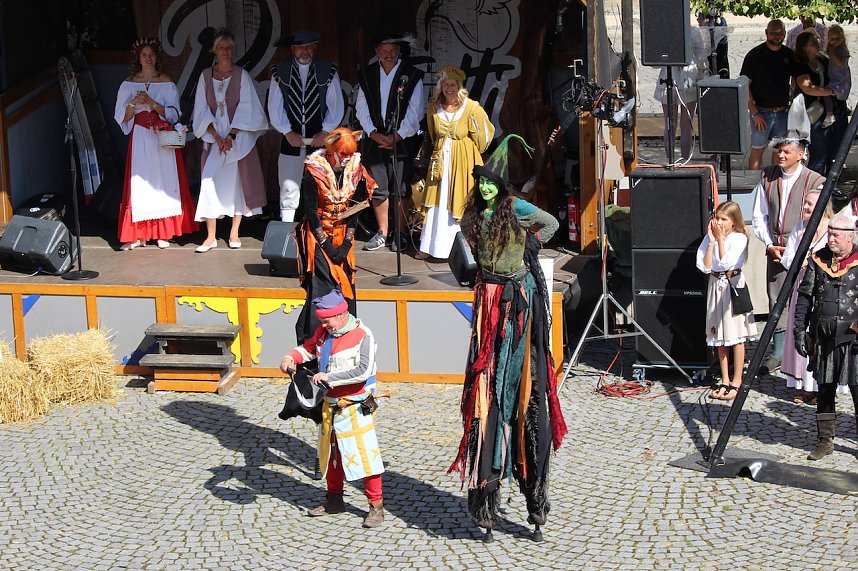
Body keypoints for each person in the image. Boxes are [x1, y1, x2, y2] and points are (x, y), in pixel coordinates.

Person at [448, 135, 566, 538]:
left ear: (502, 186)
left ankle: (535, 498)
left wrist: (528, 247)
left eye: (490, 183)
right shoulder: (474, 215)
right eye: (480, 182)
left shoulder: (515, 206)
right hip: (488, 307)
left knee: (525, 394)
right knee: (488, 396)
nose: (484, 188)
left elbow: (550, 223)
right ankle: (485, 499)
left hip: (517, 307)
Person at [279, 289, 385, 526]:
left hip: (355, 406)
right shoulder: (323, 332)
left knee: (366, 458)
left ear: (341, 315)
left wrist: (330, 378)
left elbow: (363, 371)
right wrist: (290, 357)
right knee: (331, 457)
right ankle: (334, 500)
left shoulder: (363, 335)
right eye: (322, 321)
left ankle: (376, 507)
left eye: (327, 320)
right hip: (330, 406)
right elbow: (307, 349)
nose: (324, 325)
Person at [751, 131, 826, 373]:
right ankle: (777, 352)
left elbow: (823, 217)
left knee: (806, 300)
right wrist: (770, 244)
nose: (780, 155)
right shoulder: (768, 177)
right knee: (777, 299)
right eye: (779, 150)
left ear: (801, 154)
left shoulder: (815, 180)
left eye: (786, 151)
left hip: (807, 251)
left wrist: (807, 249)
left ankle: (805, 355)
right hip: (776, 248)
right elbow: (759, 215)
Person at [113, 37, 197, 251]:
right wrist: (134, 103)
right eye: (144, 55)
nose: (148, 58)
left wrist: (152, 103)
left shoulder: (166, 82)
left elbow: (174, 114)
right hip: (141, 136)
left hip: (162, 138)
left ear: (156, 57)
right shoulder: (129, 83)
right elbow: (121, 116)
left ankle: (163, 233)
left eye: (151, 54)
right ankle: (138, 235)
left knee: (163, 183)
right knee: (141, 184)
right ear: (138, 58)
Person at [294, 128, 377, 343]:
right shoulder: (313, 171)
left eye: (350, 154)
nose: (348, 158)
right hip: (317, 235)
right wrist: (327, 246)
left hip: (342, 236)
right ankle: (314, 344)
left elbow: (357, 208)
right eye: (343, 154)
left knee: (345, 285)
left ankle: (347, 341)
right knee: (323, 287)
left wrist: (347, 243)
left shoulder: (357, 170)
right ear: (332, 152)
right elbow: (310, 213)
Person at [191, 29, 268, 253]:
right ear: (214, 50)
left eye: (229, 48)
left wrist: (231, 136)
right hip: (214, 137)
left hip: (237, 137)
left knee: (236, 184)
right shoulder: (205, 75)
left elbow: (247, 108)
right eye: (221, 47)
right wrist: (217, 137)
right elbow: (201, 110)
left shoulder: (241, 75)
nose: (226, 51)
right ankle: (211, 236)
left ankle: (234, 232)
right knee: (208, 182)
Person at [793, 214, 858, 461]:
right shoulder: (818, 260)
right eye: (829, 233)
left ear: (850, 236)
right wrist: (800, 330)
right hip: (825, 337)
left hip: (854, 339)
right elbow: (805, 298)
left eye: (836, 234)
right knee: (826, 390)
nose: (831, 238)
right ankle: (825, 441)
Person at [355, 33, 425, 252]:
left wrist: (399, 135)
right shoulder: (367, 75)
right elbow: (361, 107)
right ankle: (383, 232)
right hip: (375, 140)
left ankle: (400, 233)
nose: (388, 55)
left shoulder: (411, 75)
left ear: (399, 51)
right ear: (377, 52)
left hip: (402, 140)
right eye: (383, 51)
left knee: (401, 189)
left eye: (392, 50)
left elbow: (417, 110)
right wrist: (373, 133)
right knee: (378, 188)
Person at [417, 65, 494, 260]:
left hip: (464, 159)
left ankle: (464, 250)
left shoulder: (471, 107)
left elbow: (484, 136)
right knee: (438, 200)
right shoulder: (433, 107)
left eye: (453, 84)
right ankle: (432, 247)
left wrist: (468, 150)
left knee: (462, 200)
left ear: (460, 86)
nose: (449, 88)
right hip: (441, 159)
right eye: (445, 84)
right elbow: (433, 134)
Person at [267, 29, 345, 223]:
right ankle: (287, 227)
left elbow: (336, 104)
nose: (305, 51)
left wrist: (325, 130)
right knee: (288, 184)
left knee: (321, 182)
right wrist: (287, 131)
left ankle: (320, 228)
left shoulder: (328, 70)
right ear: (293, 49)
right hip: (291, 139)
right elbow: (274, 107)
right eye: (301, 47)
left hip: (319, 137)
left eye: (309, 47)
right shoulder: (280, 71)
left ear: (314, 48)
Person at [696, 201, 756, 400]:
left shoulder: (739, 238)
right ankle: (724, 378)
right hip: (716, 285)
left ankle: (737, 379)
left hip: (732, 286)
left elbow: (726, 261)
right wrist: (712, 241)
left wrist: (721, 241)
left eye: (724, 219)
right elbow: (705, 266)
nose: (719, 223)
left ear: (733, 221)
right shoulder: (710, 238)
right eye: (717, 218)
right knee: (719, 334)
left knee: (736, 335)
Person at [780, 189, 832, 404]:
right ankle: (808, 387)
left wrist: (807, 257)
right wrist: (802, 251)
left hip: (825, 289)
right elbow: (788, 260)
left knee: (821, 334)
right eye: (804, 204)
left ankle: (824, 387)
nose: (805, 208)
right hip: (802, 285)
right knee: (803, 332)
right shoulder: (800, 228)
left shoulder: (831, 228)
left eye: (810, 204)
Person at [740, 20, 795, 171]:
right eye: (773, 32)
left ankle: (775, 184)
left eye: (780, 33)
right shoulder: (755, 55)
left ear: (784, 33)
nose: (776, 36)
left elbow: (797, 80)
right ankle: (755, 186)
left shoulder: (789, 55)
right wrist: (754, 112)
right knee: (758, 149)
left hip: (782, 113)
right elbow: (744, 86)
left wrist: (793, 104)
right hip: (761, 114)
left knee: (780, 152)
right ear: (766, 32)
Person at [653, 24, 709, 161]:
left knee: (671, 123)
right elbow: (702, 57)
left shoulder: (664, 29)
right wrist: (700, 70)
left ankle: (672, 160)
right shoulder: (692, 30)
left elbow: (655, 62)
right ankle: (683, 160)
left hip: (673, 78)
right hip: (683, 79)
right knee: (684, 124)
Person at [825, 24, 851, 168]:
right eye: (831, 39)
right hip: (832, 82)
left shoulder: (841, 50)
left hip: (839, 84)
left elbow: (841, 63)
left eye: (836, 39)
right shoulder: (830, 49)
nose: (834, 41)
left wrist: (833, 50)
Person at [696, 11, 729, 79]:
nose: (697, 19)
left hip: (717, 72)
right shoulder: (714, 31)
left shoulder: (716, 34)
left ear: (707, 20)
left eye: (700, 17)